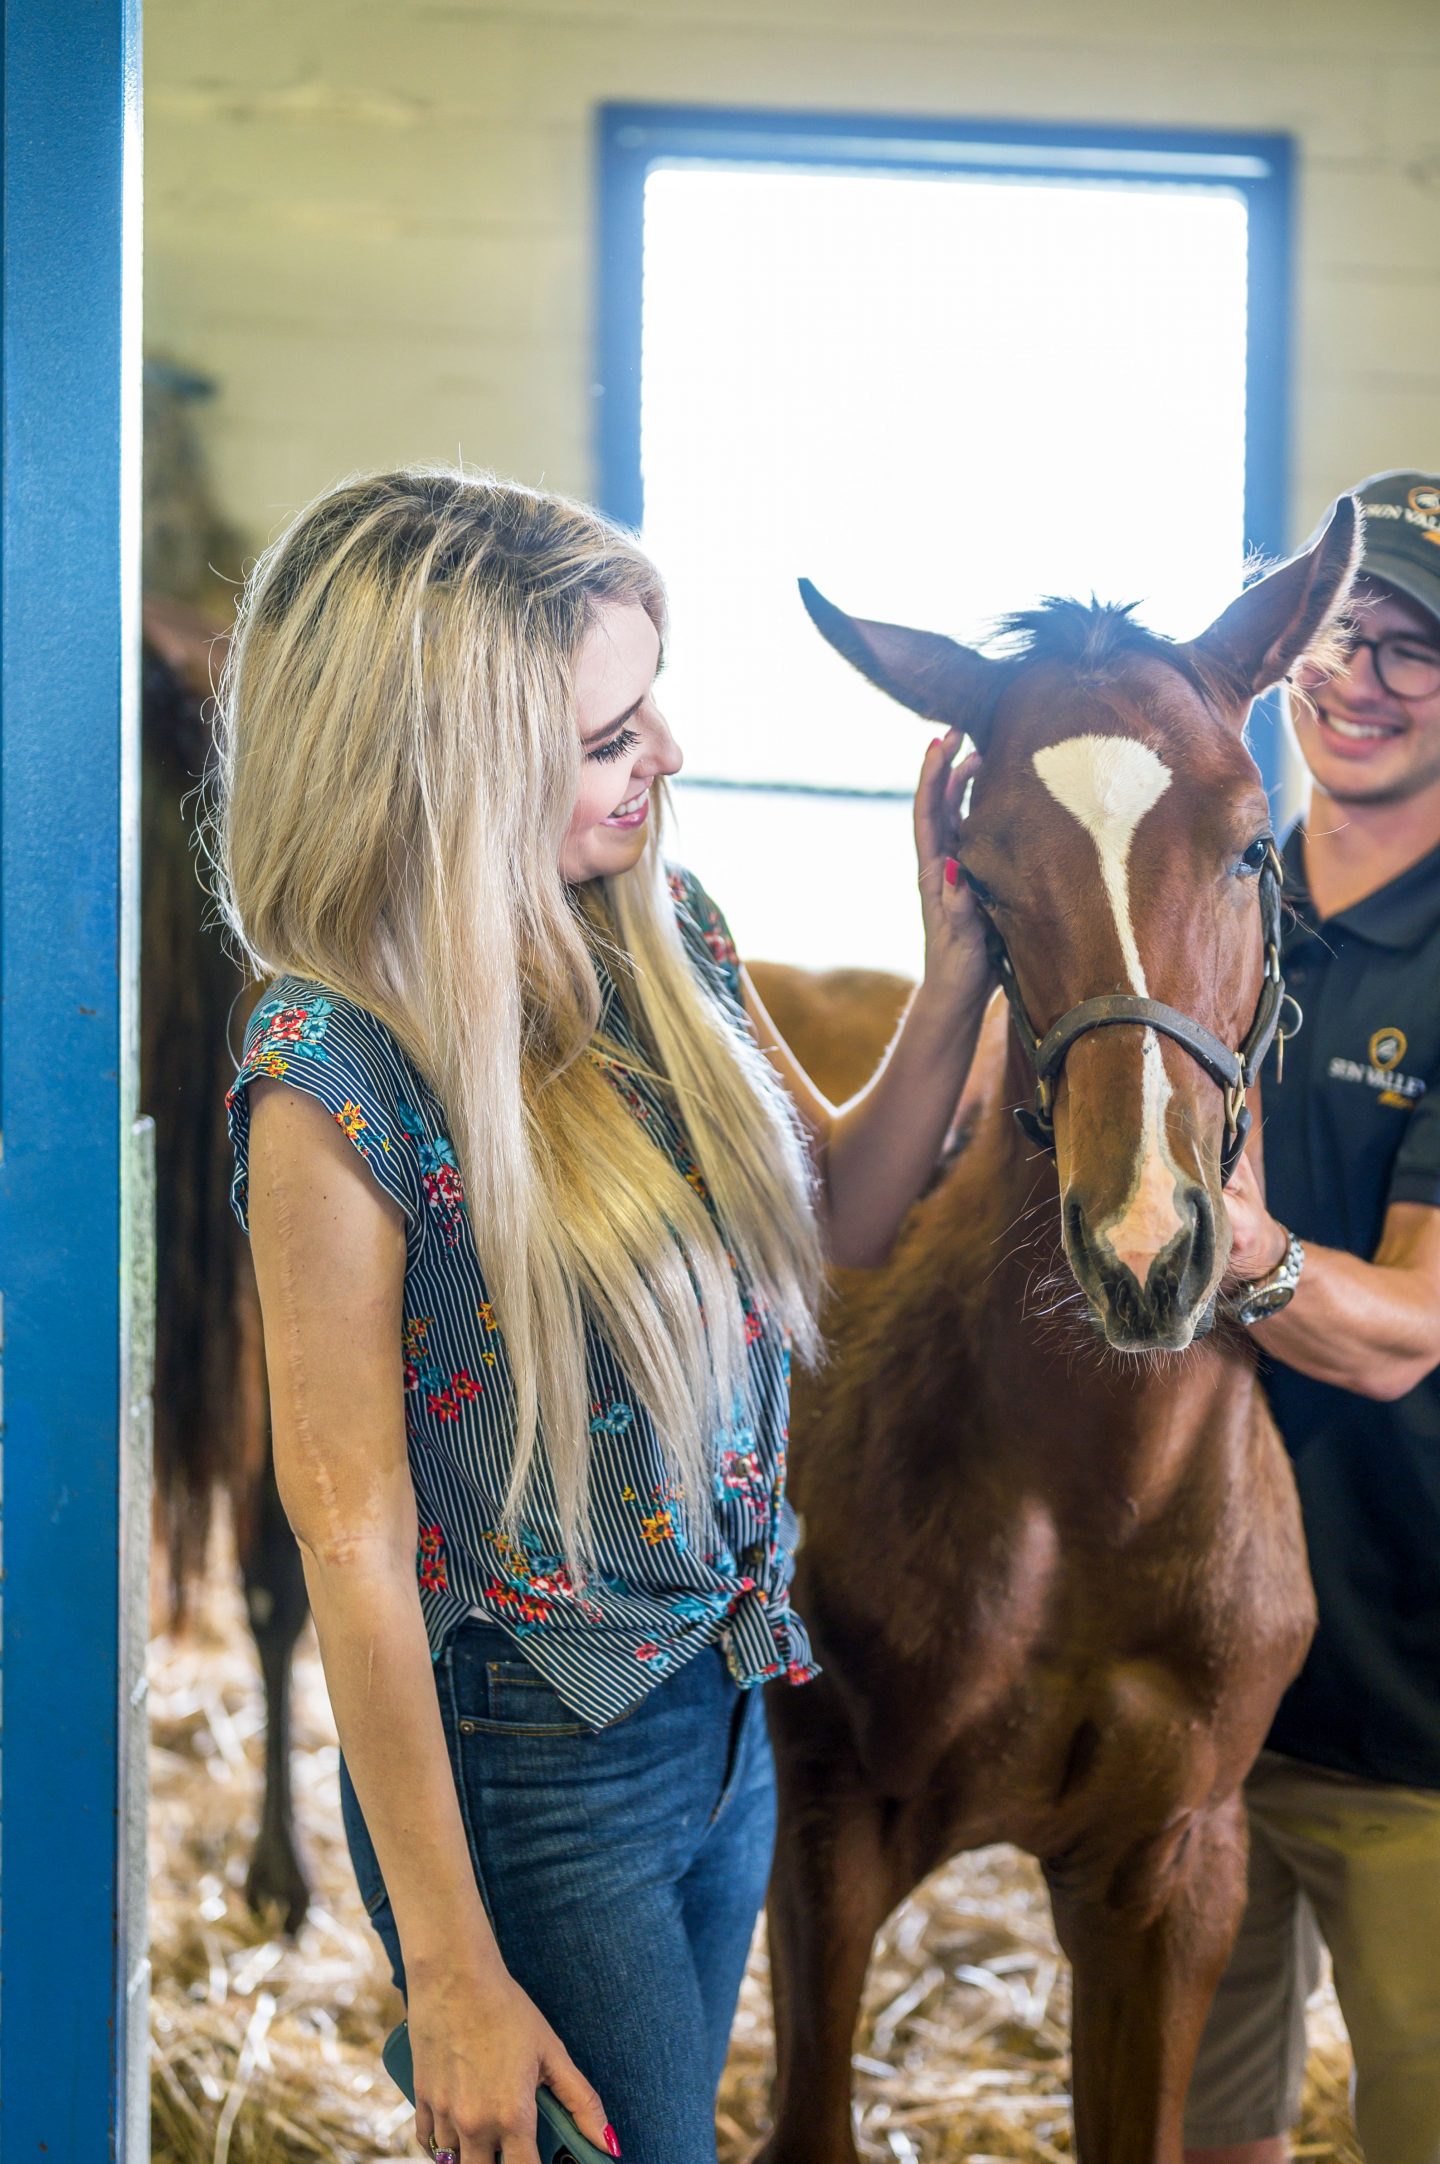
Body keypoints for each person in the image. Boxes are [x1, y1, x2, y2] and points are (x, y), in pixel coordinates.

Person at [212, 468, 991, 2164]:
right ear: (451, 776)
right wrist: (449, 1963)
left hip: (722, 1707)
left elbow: (841, 1218)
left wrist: (952, 975)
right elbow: (349, 1534)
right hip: (529, 1759)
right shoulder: (329, 1071)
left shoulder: (664, 940)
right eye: (612, 734)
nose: (673, 756)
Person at [1185, 472, 1440, 2164]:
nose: (1357, 675)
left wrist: (1232, 1246)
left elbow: (1407, 1325)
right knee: (1196, 2135)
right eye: (1341, 630)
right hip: (1196, 1699)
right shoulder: (1206, 907)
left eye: (1413, 645)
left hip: (1415, 1704)